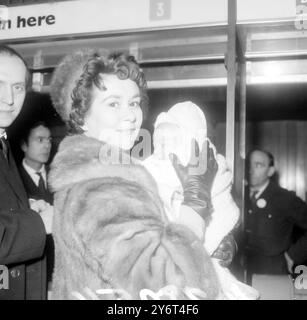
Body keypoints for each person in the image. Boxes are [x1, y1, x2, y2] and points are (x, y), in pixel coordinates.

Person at [48, 49, 237, 299]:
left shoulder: (111, 173)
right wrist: (196, 203)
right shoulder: (101, 187)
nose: (130, 115)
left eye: (134, 103)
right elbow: (166, 285)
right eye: (113, 103)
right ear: (81, 116)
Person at [143, 101, 258, 299]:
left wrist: (229, 239)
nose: (162, 140)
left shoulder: (213, 167)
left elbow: (224, 210)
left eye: (171, 134)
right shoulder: (144, 171)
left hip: (203, 274)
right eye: (159, 133)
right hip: (158, 274)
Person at [0, 45, 53, 300]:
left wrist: (24, 209)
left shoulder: (3, 144)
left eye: (18, 87)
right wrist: (39, 223)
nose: (8, 98)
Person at [244, 149, 307, 299]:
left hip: (272, 272)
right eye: (249, 164)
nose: (251, 170)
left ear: (271, 171)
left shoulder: (284, 198)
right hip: (241, 271)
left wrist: (293, 256)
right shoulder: (238, 193)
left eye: (259, 165)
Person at [18, 121, 55, 284]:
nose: (47, 145)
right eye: (40, 140)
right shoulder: (12, 180)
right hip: (28, 271)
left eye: (49, 140)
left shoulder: (60, 175)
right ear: (24, 145)